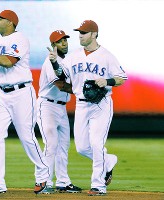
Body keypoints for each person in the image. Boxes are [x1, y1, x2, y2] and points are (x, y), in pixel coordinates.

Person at [0, 7, 50, 195]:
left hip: (22, 92)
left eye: (0, 19)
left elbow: (8, 62)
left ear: (10, 23)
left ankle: (43, 175)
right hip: (2, 94)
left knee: (26, 136)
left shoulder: (19, 39)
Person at [49, 20, 127, 196]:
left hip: (102, 104)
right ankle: (108, 161)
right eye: (79, 33)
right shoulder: (73, 56)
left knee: (96, 143)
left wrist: (107, 81)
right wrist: (55, 63)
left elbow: (122, 78)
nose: (80, 36)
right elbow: (63, 75)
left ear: (94, 34)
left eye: (84, 33)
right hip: (81, 104)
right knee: (82, 147)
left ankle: (98, 185)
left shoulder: (107, 56)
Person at [36, 30, 82, 193]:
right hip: (47, 106)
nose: (64, 43)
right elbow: (60, 84)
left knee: (63, 146)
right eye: (60, 41)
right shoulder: (50, 62)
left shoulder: (67, 61)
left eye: (65, 40)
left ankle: (63, 181)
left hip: (61, 107)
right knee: (51, 145)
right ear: (53, 45)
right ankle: (43, 182)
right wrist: (80, 90)